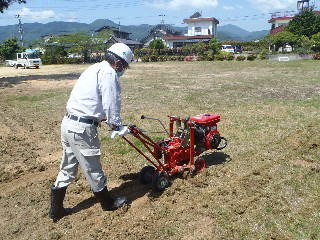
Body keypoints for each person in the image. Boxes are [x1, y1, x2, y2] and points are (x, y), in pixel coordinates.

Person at [49, 43, 134, 222]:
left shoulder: (94, 68)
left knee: (67, 167)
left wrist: (104, 119)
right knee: (93, 167)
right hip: (82, 129)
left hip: (68, 123)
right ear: (118, 62)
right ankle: (107, 203)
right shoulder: (109, 73)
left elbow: (90, 99)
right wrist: (117, 125)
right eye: (125, 66)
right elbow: (111, 102)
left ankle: (55, 210)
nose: (124, 70)